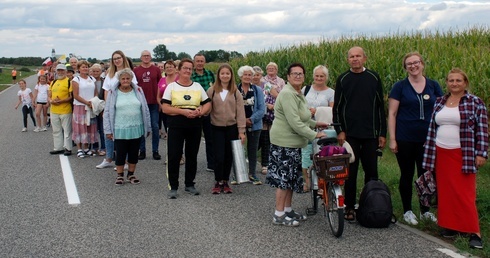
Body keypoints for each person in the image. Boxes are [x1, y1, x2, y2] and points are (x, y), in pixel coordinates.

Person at [422, 68, 488, 249]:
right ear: (447, 83)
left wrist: (482, 153)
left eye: (458, 80)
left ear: (465, 83)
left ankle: (474, 232)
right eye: (451, 80)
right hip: (441, 153)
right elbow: (433, 128)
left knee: (465, 194)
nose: (454, 83)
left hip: (463, 154)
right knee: (446, 192)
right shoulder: (440, 101)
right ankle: (452, 227)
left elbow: (482, 130)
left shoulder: (475, 102)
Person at [266, 63, 327, 227]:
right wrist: (314, 134)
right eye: (294, 74)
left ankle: (288, 209)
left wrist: (315, 124)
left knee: (292, 179)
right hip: (284, 143)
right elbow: (294, 122)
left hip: (293, 144)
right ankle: (278, 214)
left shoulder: (297, 93)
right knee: (283, 179)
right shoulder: (287, 94)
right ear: (288, 77)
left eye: (301, 74)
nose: (298, 76)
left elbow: (303, 117)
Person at [388, 52, 443, 225]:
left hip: (428, 140)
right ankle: (407, 210)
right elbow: (392, 113)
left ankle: (425, 210)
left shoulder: (433, 86)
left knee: (426, 175)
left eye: (416, 62)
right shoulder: (400, 87)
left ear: (422, 64)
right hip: (405, 138)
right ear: (405, 67)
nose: (413, 66)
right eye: (409, 64)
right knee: (407, 174)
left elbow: (442, 111)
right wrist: (393, 138)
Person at [333, 46, 387, 221]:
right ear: (348, 59)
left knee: (371, 171)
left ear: (365, 58)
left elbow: (380, 107)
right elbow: (338, 108)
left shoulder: (374, 77)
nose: (355, 59)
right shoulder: (343, 79)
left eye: (358, 56)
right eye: (351, 56)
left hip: (371, 133)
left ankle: (369, 205)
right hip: (350, 135)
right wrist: (339, 130)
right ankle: (349, 206)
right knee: (351, 172)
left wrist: (382, 132)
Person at [162, 58, 211, 199]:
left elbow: (207, 103)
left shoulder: (197, 86)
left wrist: (200, 112)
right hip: (176, 125)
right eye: (185, 68)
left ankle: (189, 184)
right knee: (174, 155)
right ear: (179, 70)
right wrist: (183, 112)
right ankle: (173, 186)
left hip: (194, 125)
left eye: (190, 69)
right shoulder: (171, 87)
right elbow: (165, 108)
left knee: (191, 155)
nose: (188, 71)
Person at [104, 68, 151, 185]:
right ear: (119, 80)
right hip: (120, 128)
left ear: (131, 79)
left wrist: (148, 127)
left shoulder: (138, 90)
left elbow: (145, 109)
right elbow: (107, 112)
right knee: (120, 152)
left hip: (136, 127)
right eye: (123, 78)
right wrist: (108, 130)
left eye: (128, 78)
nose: (125, 80)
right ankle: (120, 176)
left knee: (134, 152)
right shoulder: (112, 92)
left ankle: (131, 174)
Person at [207, 64, 246, 194]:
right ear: (218, 75)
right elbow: (207, 109)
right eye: (222, 73)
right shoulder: (212, 90)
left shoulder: (235, 92)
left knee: (228, 156)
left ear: (231, 75)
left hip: (231, 128)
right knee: (219, 156)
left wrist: (241, 131)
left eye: (227, 73)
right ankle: (218, 181)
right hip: (216, 128)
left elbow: (240, 112)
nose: (225, 76)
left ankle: (225, 180)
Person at [96, 50, 138, 169]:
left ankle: (123, 161)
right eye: (114, 59)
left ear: (123, 58)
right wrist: (106, 106)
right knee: (108, 133)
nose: (117, 60)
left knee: (122, 135)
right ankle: (109, 158)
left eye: (119, 58)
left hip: (123, 106)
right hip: (110, 106)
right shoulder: (110, 73)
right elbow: (106, 91)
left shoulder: (129, 73)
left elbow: (133, 88)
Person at [301, 65, 335, 192]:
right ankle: (307, 181)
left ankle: (322, 183)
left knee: (322, 155)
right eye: (317, 75)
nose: (319, 78)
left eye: (322, 76)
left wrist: (317, 110)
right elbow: (300, 104)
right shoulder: (306, 89)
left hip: (323, 127)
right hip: (306, 126)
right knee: (305, 154)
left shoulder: (331, 92)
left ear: (326, 77)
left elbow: (332, 110)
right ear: (313, 76)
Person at [236, 65, 265, 185]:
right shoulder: (235, 90)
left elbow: (261, 108)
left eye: (250, 75)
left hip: (254, 124)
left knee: (252, 150)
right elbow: (233, 108)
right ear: (241, 76)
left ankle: (252, 174)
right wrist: (242, 120)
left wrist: (252, 119)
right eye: (245, 75)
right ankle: (237, 174)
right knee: (238, 149)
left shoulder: (257, 90)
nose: (247, 77)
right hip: (238, 125)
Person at [133, 50, 162, 160]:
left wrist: (160, 102)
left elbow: (160, 85)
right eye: (144, 56)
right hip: (140, 103)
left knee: (155, 126)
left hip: (154, 102)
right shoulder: (136, 70)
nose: (146, 57)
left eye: (148, 56)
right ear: (141, 58)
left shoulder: (156, 69)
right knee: (142, 127)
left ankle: (155, 150)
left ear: (150, 57)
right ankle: (142, 150)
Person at [260, 62, 286, 175]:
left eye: (273, 68)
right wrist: (268, 105)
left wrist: (276, 105)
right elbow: (265, 93)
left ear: (277, 70)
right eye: (269, 68)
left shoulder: (281, 81)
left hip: (278, 110)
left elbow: (284, 95)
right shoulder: (262, 80)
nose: (271, 70)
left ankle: (274, 162)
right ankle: (265, 163)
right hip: (265, 109)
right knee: (264, 138)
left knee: (275, 138)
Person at [191, 54, 215, 172]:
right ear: (194, 62)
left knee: (210, 137)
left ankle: (211, 163)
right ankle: (191, 162)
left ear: (204, 62)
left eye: (202, 61)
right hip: (195, 109)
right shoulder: (191, 75)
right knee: (194, 138)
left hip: (209, 109)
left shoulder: (210, 74)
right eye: (197, 61)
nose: (200, 63)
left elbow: (215, 89)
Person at [72, 60, 98, 158]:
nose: (85, 68)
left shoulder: (92, 79)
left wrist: (93, 101)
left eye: (86, 67)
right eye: (83, 67)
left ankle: (86, 148)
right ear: (79, 69)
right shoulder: (76, 80)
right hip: (80, 106)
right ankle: (79, 148)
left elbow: (95, 92)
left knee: (88, 126)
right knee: (79, 127)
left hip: (90, 106)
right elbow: (76, 95)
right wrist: (86, 102)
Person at [48, 64, 73, 156]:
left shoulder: (69, 82)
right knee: (56, 130)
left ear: (66, 71)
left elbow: (71, 96)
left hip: (65, 110)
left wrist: (61, 101)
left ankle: (68, 148)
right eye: (59, 70)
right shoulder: (53, 82)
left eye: (62, 70)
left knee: (67, 130)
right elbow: (49, 95)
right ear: (56, 71)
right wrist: (51, 101)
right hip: (54, 110)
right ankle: (58, 147)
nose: (60, 72)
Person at [157, 60, 179, 141]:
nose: (169, 69)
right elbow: (158, 96)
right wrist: (161, 106)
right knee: (169, 131)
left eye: (171, 67)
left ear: (175, 68)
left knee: (178, 133)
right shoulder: (162, 80)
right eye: (167, 67)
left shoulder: (179, 79)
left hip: (177, 110)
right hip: (165, 110)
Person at [90, 63, 106, 156]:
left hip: (102, 107)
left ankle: (103, 147)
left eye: (97, 71)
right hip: (91, 107)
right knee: (93, 129)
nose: (95, 73)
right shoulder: (89, 81)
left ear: (101, 72)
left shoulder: (104, 82)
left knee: (102, 129)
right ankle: (94, 147)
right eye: (94, 71)